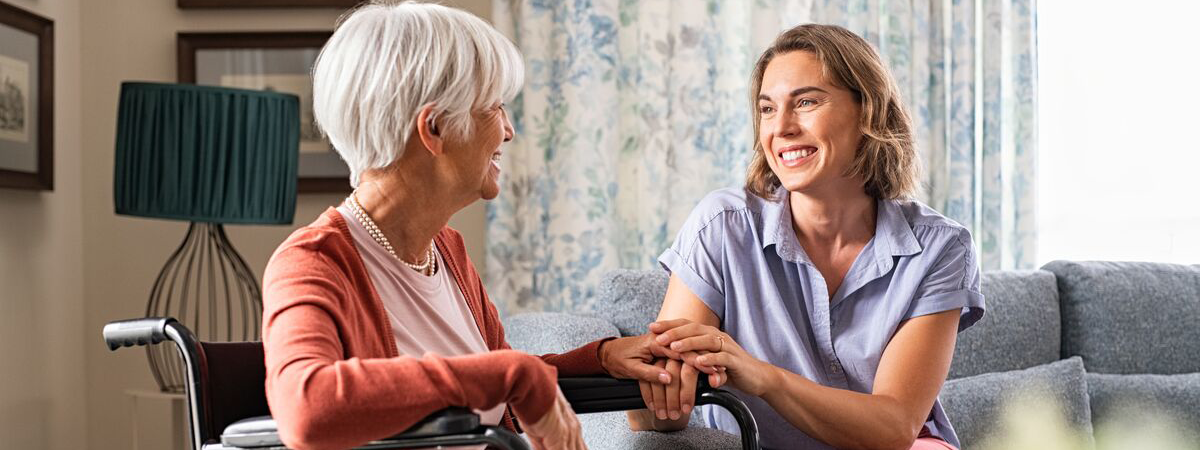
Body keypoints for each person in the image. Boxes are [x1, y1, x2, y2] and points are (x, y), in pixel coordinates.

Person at [262, 3, 673, 450]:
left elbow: (486, 379)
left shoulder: (447, 251)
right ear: (434, 127)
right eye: (495, 108)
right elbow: (308, 410)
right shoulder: (313, 261)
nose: (509, 131)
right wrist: (514, 374)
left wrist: (601, 357)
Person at [627, 24, 986, 450]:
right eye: (766, 109)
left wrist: (765, 377)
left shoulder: (940, 249)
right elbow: (663, 409)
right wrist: (642, 382)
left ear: (868, 112)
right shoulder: (721, 227)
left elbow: (895, 426)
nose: (782, 128)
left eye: (806, 102)